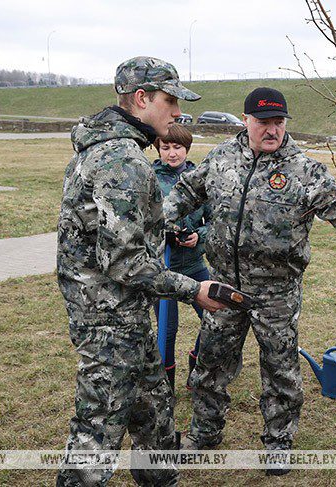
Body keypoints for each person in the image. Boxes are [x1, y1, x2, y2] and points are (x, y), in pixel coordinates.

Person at [163, 87, 336, 475]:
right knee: (210, 365)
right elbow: (187, 192)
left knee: (280, 371)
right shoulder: (222, 159)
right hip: (224, 287)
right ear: (246, 121)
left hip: (276, 294)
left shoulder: (304, 170)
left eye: (279, 122)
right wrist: (158, 219)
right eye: (264, 123)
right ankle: (204, 434)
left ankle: (278, 443)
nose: (272, 130)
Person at [56, 56, 225, 487]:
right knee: (94, 443)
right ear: (140, 98)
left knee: (155, 419)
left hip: (127, 318)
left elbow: (112, 232)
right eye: (170, 101)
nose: (177, 112)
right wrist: (193, 288)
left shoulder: (108, 149)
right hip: (108, 324)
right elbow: (124, 261)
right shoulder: (123, 161)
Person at [151, 123, 212, 391]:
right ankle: (166, 388)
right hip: (163, 268)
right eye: (166, 147)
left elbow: (215, 221)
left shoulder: (200, 178)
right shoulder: (149, 178)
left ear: (187, 149)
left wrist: (200, 235)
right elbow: (144, 223)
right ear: (158, 149)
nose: (172, 153)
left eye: (178, 147)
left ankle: (197, 367)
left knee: (215, 318)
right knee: (167, 330)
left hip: (195, 265)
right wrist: (166, 235)